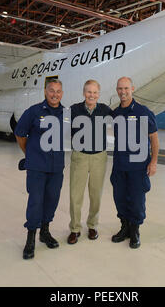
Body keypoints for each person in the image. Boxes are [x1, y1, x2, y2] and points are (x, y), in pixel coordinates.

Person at [14, 79, 65, 260]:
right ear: (45, 91)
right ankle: (30, 239)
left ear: (62, 93)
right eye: (52, 90)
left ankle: (45, 232)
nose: (55, 94)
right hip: (37, 167)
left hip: (57, 167)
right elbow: (20, 133)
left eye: (58, 91)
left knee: (52, 200)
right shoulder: (34, 111)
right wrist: (30, 153)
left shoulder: (66, 114)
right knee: (36, 201)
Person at [110, 76, 159, 249]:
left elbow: (154, 139)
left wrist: (153, 161)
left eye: (126, 88)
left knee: (137, 201)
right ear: (117, 91)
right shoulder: (115, 113)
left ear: (133, 89)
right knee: (120, 198)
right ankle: (124, 228)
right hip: (120, 166)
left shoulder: (143, 112)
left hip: (138, 167)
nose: (123, 92)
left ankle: (135, 230)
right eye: (120, 89)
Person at [68, 80, 112, 244]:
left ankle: (92, 225)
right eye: (89, 92)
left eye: (94, 92)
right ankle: (75, 228)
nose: (91, 95)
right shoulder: (74, 110)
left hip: (99, 157)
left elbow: (120, 122)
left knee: (96, 195)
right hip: (79, 156)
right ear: (83, 93)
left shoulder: (105, 110)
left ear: (98, 94)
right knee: (75, 195)